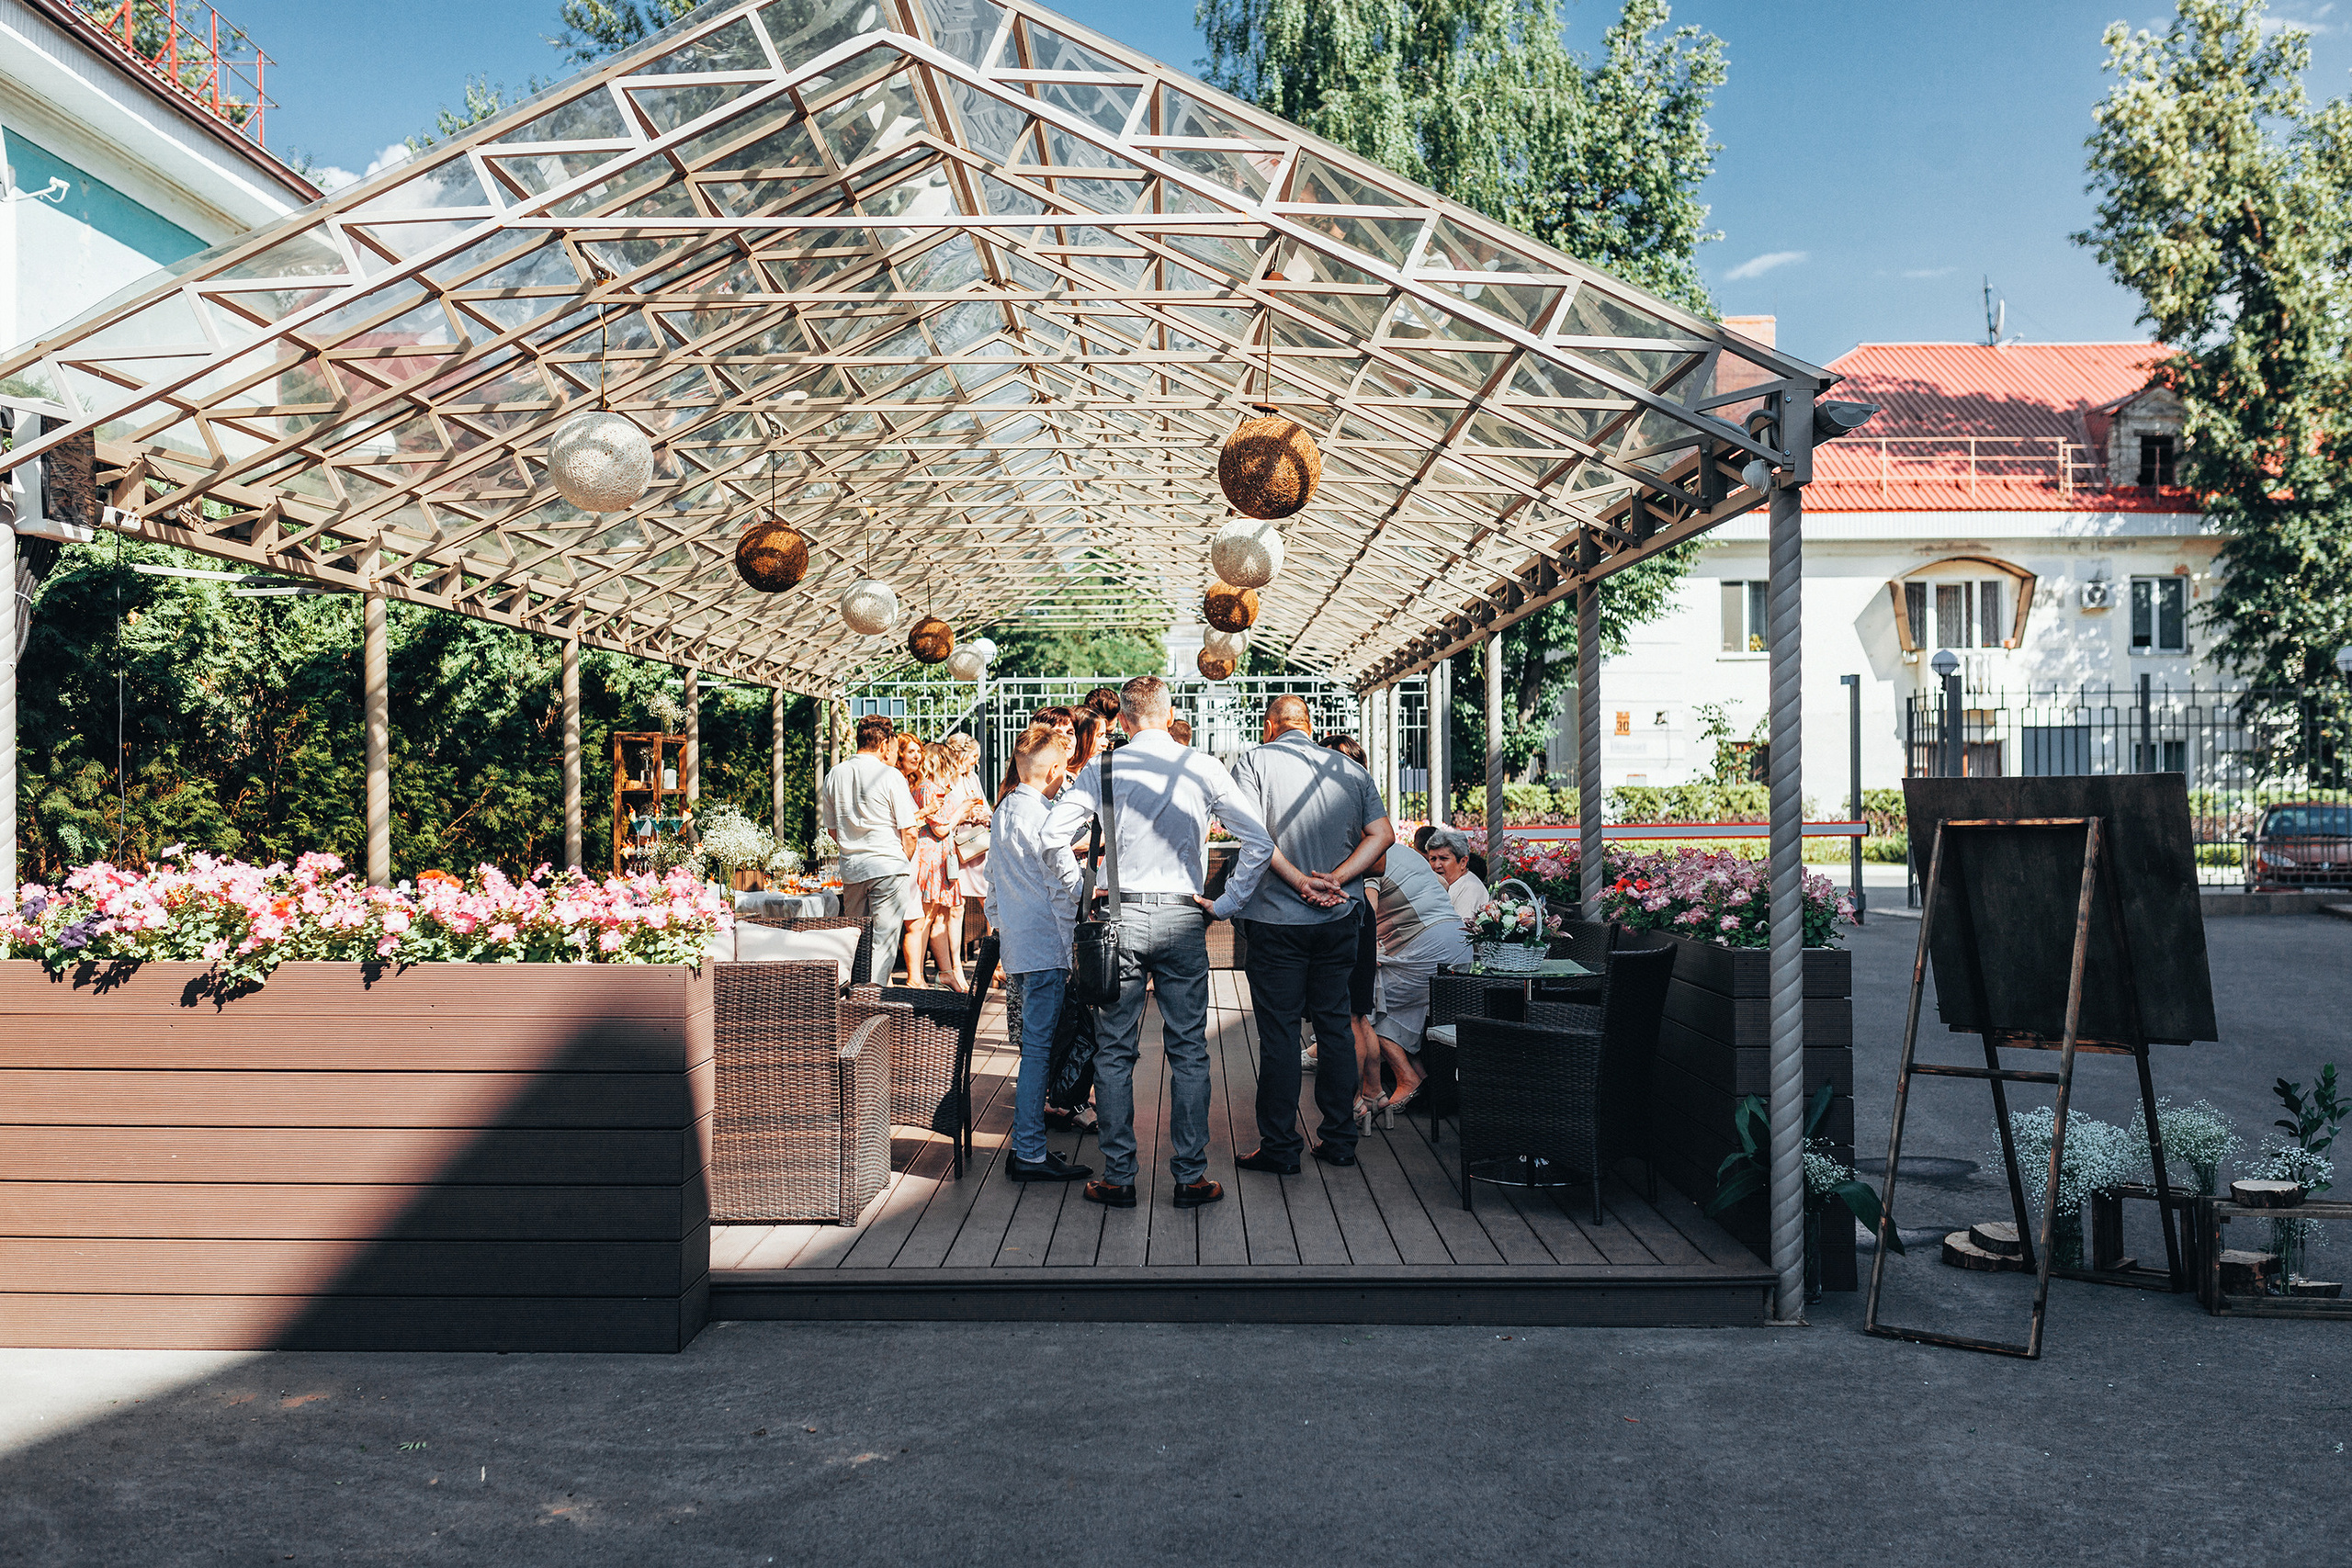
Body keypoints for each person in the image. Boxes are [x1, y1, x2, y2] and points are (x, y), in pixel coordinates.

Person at [1044, 676, 1279, 1212]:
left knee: (1115, 1050)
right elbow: (1259, 842)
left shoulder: (1103, 768)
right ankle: (1191, 1176)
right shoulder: (1201, 765)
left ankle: (1120, 1177)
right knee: (1189, 1050)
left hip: (1118, 920)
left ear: (1123, 720)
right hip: (1182, 919)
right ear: (1170, 712)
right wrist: (1225, 904)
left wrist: (1084, 889)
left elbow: (1051, 836)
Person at [1213, 694, 1395, 1174]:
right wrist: (1337, 878)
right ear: (1308, 726)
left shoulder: (1253, 760)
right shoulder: (1348, 770)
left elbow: (1254, 837)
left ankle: (1280, 1147)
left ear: (1271, 725)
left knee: (1278, 1033)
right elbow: (1382, 835)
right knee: (1335, 1026)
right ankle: (1338, 1140)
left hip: (1275, 922)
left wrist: (1299, 881)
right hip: (1339, 919)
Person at [985, 723, 1092, 1183]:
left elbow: (991, 888)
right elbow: (1061, 888)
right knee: (1038, 1053)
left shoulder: (1004, 809)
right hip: (1046, 944)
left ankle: (1027, 1145)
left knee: (1034, 1049)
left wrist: (1007, 927)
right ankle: (1029, 1150)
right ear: (1053, 769)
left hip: (1018, 943)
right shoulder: (1044, 817)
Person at [1363, 840, 1472, 1120]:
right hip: (1458, 940)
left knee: (1364, 1004)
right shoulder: (1403, 851)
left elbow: (1367, 912)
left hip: (1428, 948)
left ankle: (1405, 1079)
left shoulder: (1370, 855)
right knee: (1385, 1003)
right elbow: (1442, 885)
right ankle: (1420, 1078)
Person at [820, 714, 919, 985]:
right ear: (885, 744)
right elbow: (909, 831)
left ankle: (854, 999)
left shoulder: (835, 774)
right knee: (883, 943)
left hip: (853, 870)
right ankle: (872, 1002)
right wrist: (902, 860)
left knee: (856, 942)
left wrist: (854, 850)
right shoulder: (890, 775)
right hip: (888, 866)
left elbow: (832, 830)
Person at [1318, 734, 1386, 1130]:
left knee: (1347, 1017)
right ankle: (1373, 1094)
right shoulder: (1361, 799)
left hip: (1349, 915)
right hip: (1355, 914)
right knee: (1357, 1016)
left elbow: (1377, 867)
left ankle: (1352, 1104)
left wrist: (1335, 869)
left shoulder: (1358, 802)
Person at [908, 740, 967, 992]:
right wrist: (961, 813)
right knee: (927, 916)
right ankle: (917, 976)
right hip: (930, 858)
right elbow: (941, 828)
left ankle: (945, 973)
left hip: (941, 858)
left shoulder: (937, 787)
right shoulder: (926, 789)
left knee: (940, 915)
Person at [940, 734, 990, 962]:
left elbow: (984, 806)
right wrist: (966, 813)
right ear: (961, 754)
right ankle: (954, 964)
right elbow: (942, 816)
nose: (976, 762)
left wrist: (982, 814)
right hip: (956, 846)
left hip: (977, 846)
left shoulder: (973, 778)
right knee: (956, 907)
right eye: (973, 757)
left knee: (990, 901)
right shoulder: (945, 778)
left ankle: (996, 962)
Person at [1423, 826, 1487, 921]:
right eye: (1433, 859)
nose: (1436, 865)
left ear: (1463, 862)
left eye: (1444, 858)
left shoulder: (1470, 889)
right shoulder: (1439, 885)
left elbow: (1460, 931)